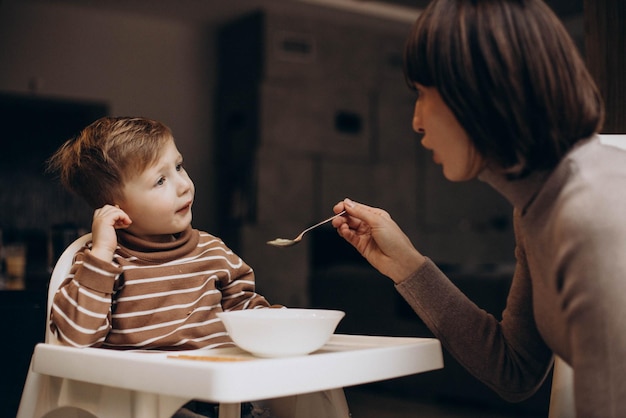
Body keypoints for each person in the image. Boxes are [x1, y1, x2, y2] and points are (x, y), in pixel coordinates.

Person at [332, 0, 626, 417]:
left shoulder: (590, 216)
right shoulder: (535, 211)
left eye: (423, 94)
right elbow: (515, 370)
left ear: (480, 92)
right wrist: (407, 266)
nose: (416, 122)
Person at [47, 116, 349, 418]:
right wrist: (100, 253)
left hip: (225, 400)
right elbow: (76, 340)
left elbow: (245, 312)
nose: (183, 185)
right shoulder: (100, 265)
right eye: (160, 180)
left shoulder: (213, 251)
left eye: (178, 166)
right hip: (143, 404)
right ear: (116, 208)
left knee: (312, 387)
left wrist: (278, 324)